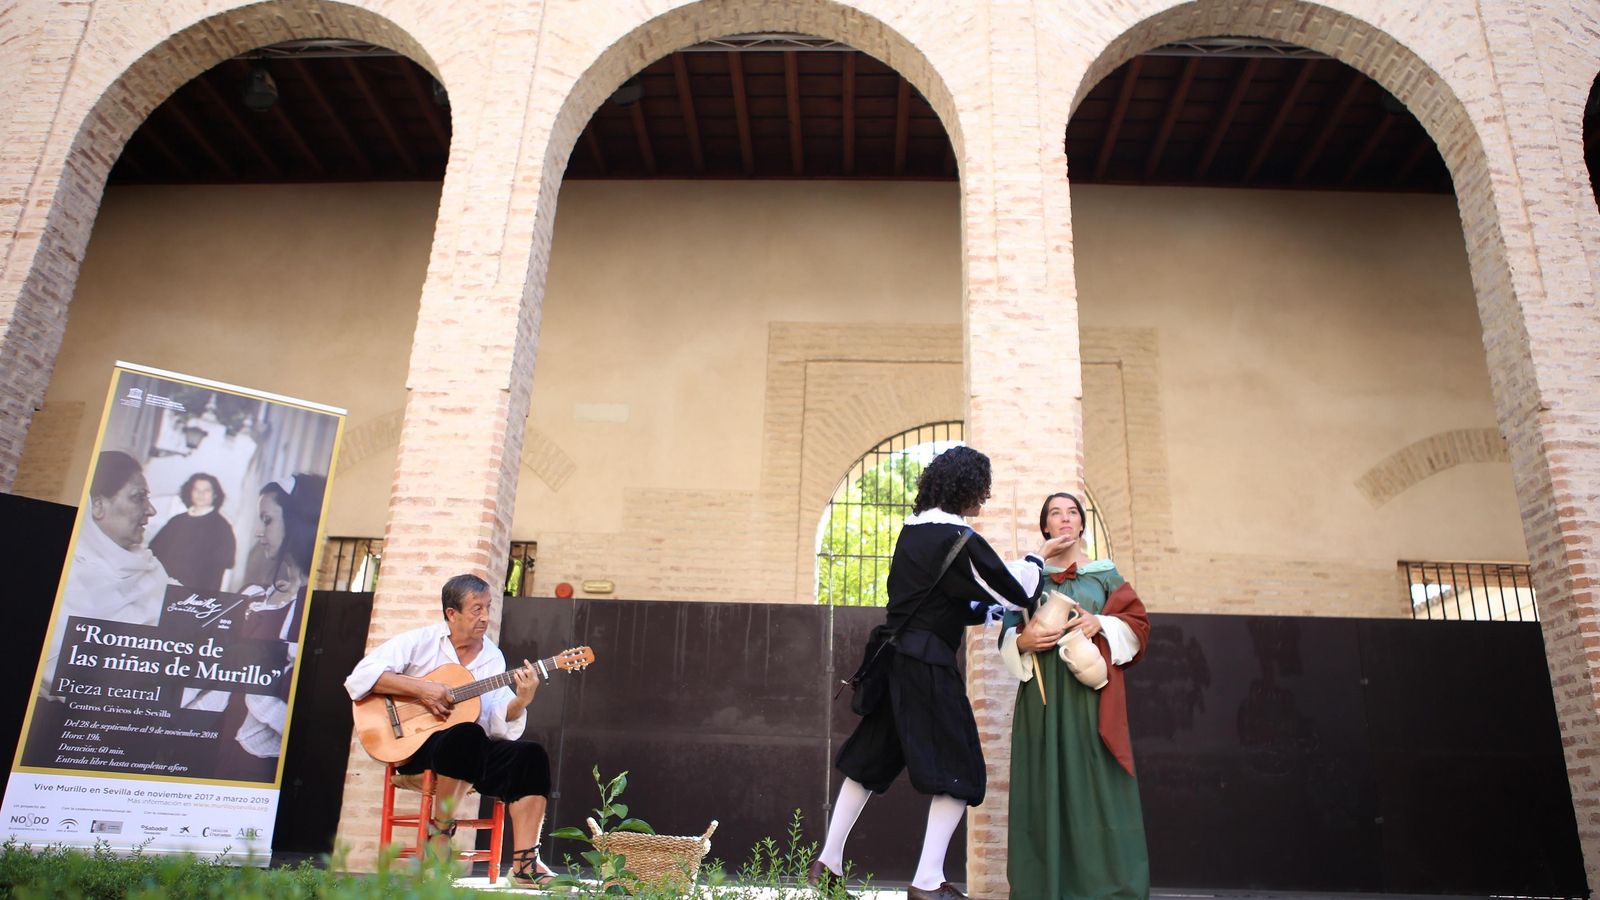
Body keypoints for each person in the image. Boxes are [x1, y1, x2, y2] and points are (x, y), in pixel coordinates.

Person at [812, 446, 1074, 900]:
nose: (984, 501)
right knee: (962, 769)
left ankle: (827, 865)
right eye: (981, 491)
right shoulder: (958, 538)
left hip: (895, 661)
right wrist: (1036, 556)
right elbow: (1014, 591)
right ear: (965, 488)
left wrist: (984, 607)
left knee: (869, 762)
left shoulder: (911, 535)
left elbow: (943, 600)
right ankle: (927, 881)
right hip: (927, 667)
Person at [345, 574, 554, 886]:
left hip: (467, 753)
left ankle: (525, 863)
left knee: (530, 755)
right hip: (415, 749)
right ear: (451, 614)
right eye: (476, 609)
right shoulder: (420, 642)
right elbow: (360, 678)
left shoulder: (492, 657)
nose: (485, 617)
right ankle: (440, 835)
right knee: (466, 735)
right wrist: (421, 689)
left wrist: (521, 701)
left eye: (488, 608)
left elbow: (498, 715)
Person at [998, 492, 1152, 900]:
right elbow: (1008, 634)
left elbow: (1137, 624)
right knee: (1043, 790)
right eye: (1055, 514)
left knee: (1098, 790)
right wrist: (1024, 640)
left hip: (1091, 702)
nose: (1065, 520)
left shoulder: (1105, 575)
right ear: (1045, 526)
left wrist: (1097, 622)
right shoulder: (1029, 578)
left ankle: (1106, 889)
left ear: (1082, 524)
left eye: (1072, 513)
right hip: (1042, 704)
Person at [213, 474, 325, 781]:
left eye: (268, 521)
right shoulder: (253, 596)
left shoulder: (308, 607)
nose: (260, 533)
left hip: (264, 759)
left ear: (295, 523)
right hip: (225, 739)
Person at [42, 450, 173, 694]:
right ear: (98, 506)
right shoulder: (64, 578)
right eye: (138, 497)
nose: (151, 510)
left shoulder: (150, 569)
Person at [148, 472, 237, 593]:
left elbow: (227, 562)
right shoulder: (177, 521)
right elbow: (154, 551)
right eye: (197, 490)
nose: (201, 494)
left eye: (206, 490)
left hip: (197, 595)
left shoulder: (222, 526)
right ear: (190, 492)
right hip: (163, 589)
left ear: (215, 494)